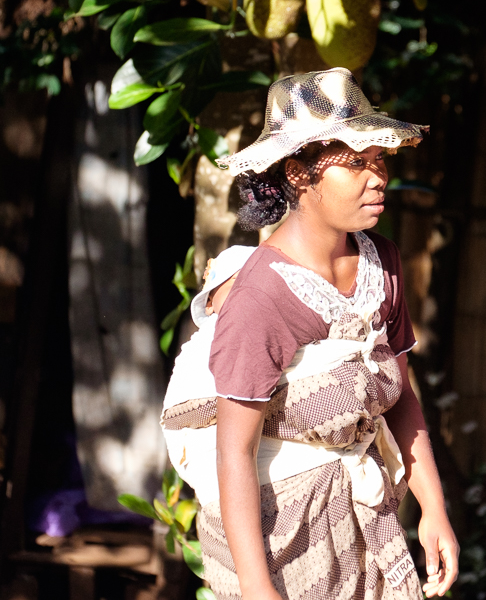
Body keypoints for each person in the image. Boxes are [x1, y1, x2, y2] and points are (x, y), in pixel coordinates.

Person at [199, 68, 459, 600]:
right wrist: (256, 586)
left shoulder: (381, 260)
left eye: (379, 159)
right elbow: (234, 451)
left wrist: (433, 507)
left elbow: (399, 396)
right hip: (281, 535)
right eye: (356, 163)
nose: (378, 176)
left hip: (367, 516)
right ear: (298, 174)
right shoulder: (262, 296)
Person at [161, 244, 256, 506]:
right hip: (219, 457)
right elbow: (190, 399)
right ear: (211, 303)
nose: (248, 291)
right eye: (238, 280)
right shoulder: (205, 342)